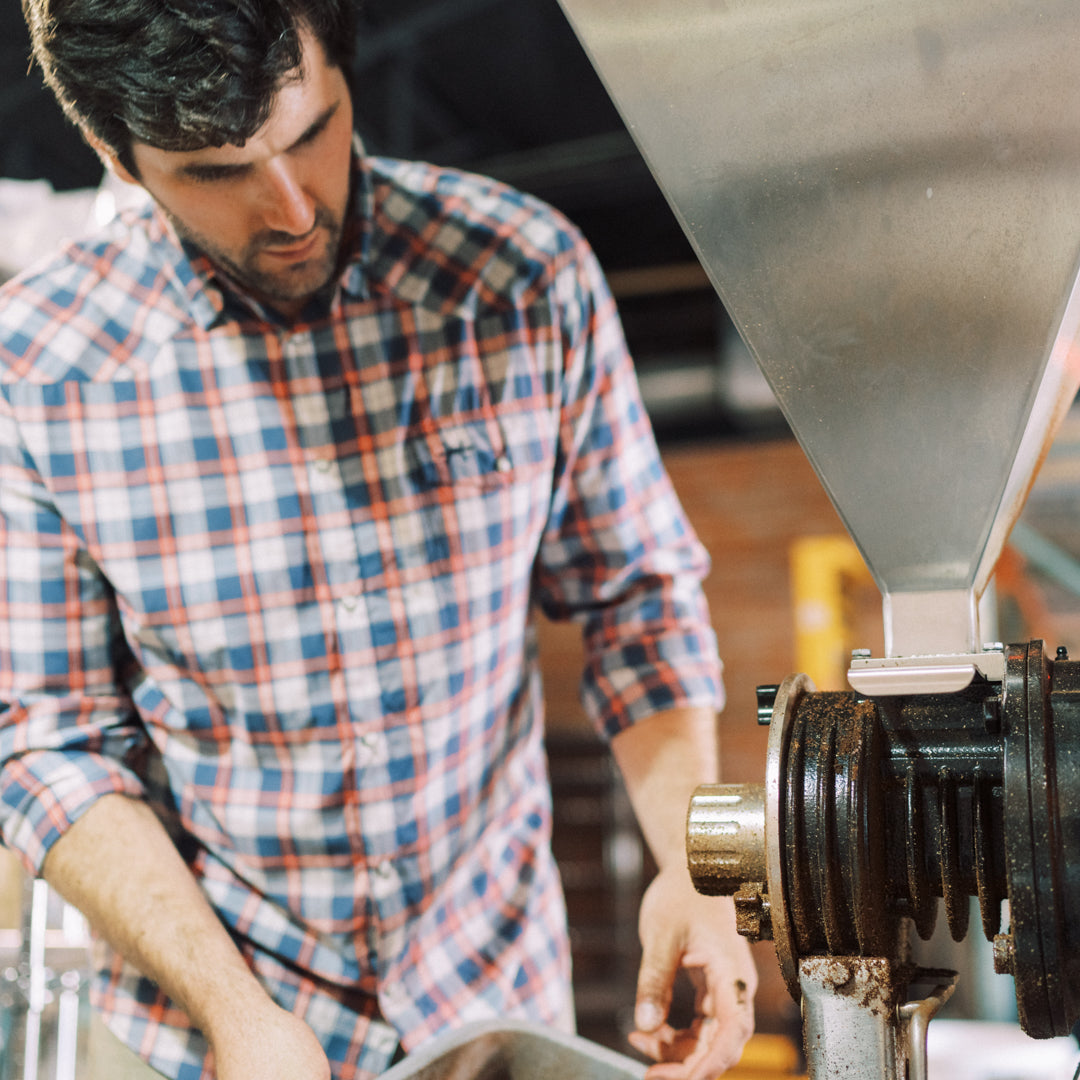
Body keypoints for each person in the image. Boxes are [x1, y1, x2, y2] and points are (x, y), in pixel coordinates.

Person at [0, 2, 757, 1078]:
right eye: (219, 172)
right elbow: (51, 743)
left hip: (490, 1003)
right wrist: (233, 1012)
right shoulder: (38, 373)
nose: (294, 206)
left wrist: (702, 867)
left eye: (313, 132)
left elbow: (638, 597)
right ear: (115, 156)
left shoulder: (521, 277)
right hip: (199, 1018)